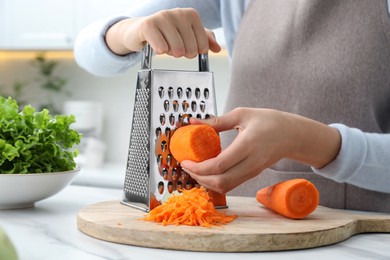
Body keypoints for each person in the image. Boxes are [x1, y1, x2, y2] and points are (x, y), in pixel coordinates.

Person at [74, 0, 390, 212]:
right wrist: (131, 31)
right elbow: (88, 50)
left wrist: (305, 141)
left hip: (362, 237)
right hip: (237, 226)